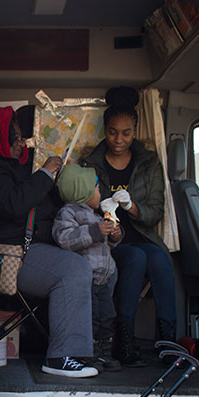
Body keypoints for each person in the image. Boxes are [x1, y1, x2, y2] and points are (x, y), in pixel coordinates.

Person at [0, 106, 99, 378]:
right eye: (13, 137)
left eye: (21, 137)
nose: (19, 142)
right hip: (12, 253)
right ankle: (61, 357)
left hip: (34, 246)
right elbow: (14, 205)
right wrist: (45, 174)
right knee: (74, 269)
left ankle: (94, 348)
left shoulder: (22, 164)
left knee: (94, 262)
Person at [80, 87, 177, 367]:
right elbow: (81, 203)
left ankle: (169, 339)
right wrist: (105, 208)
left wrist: (130, 206)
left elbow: (155, 212)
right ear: (104, 130)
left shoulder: (148, 162)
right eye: (112, 132)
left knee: (159, 258)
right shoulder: (91, 162)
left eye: (126, 133)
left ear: (134, 131)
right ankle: (124, 339)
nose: (118, 139)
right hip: (109, 240)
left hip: (142, 234)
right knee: (135, 257)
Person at [52, 163, 123, 372]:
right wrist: (95, 230)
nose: (100, 193)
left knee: (106, 318)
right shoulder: (68, 213)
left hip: (104, 279)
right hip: (85, 280)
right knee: (88, 319)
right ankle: (85, 354)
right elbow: (65, 239)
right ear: (82, 191)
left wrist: (115, 235)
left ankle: (103, 353)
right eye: (98, 189)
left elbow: (105, 244)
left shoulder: (97, 214)